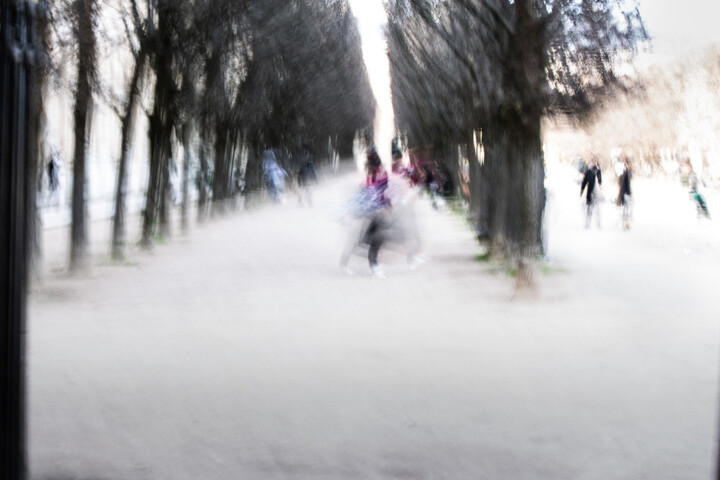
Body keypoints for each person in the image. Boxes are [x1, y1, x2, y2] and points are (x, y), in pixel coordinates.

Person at [339, 147, 392, 278]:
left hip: (373, 210)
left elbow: (382, 192)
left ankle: (373, 265)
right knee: (358, 236)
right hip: (365, 210)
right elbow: (366, 192)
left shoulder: (380, 173)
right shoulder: (370, 174)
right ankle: (345, 263)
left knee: (377, 236)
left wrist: (385, 206)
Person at [580, 159, 602, 228]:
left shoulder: (598, 172)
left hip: (596, 195)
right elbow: (584, 182)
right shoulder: (588, 173)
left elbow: (600, 181)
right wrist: (581, 190)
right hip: (590, 194)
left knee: (597, 210)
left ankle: (598, 224)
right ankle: (587, 224)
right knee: (589, 210)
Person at [617, 159, 632, 229]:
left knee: (626, 209)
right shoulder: (625, 173)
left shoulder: (626, 173)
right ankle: (625, 224)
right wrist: (628, 193)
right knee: (626, 210)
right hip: (625, 194)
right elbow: (625, 185)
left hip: (625, 193)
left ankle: (625, 224)